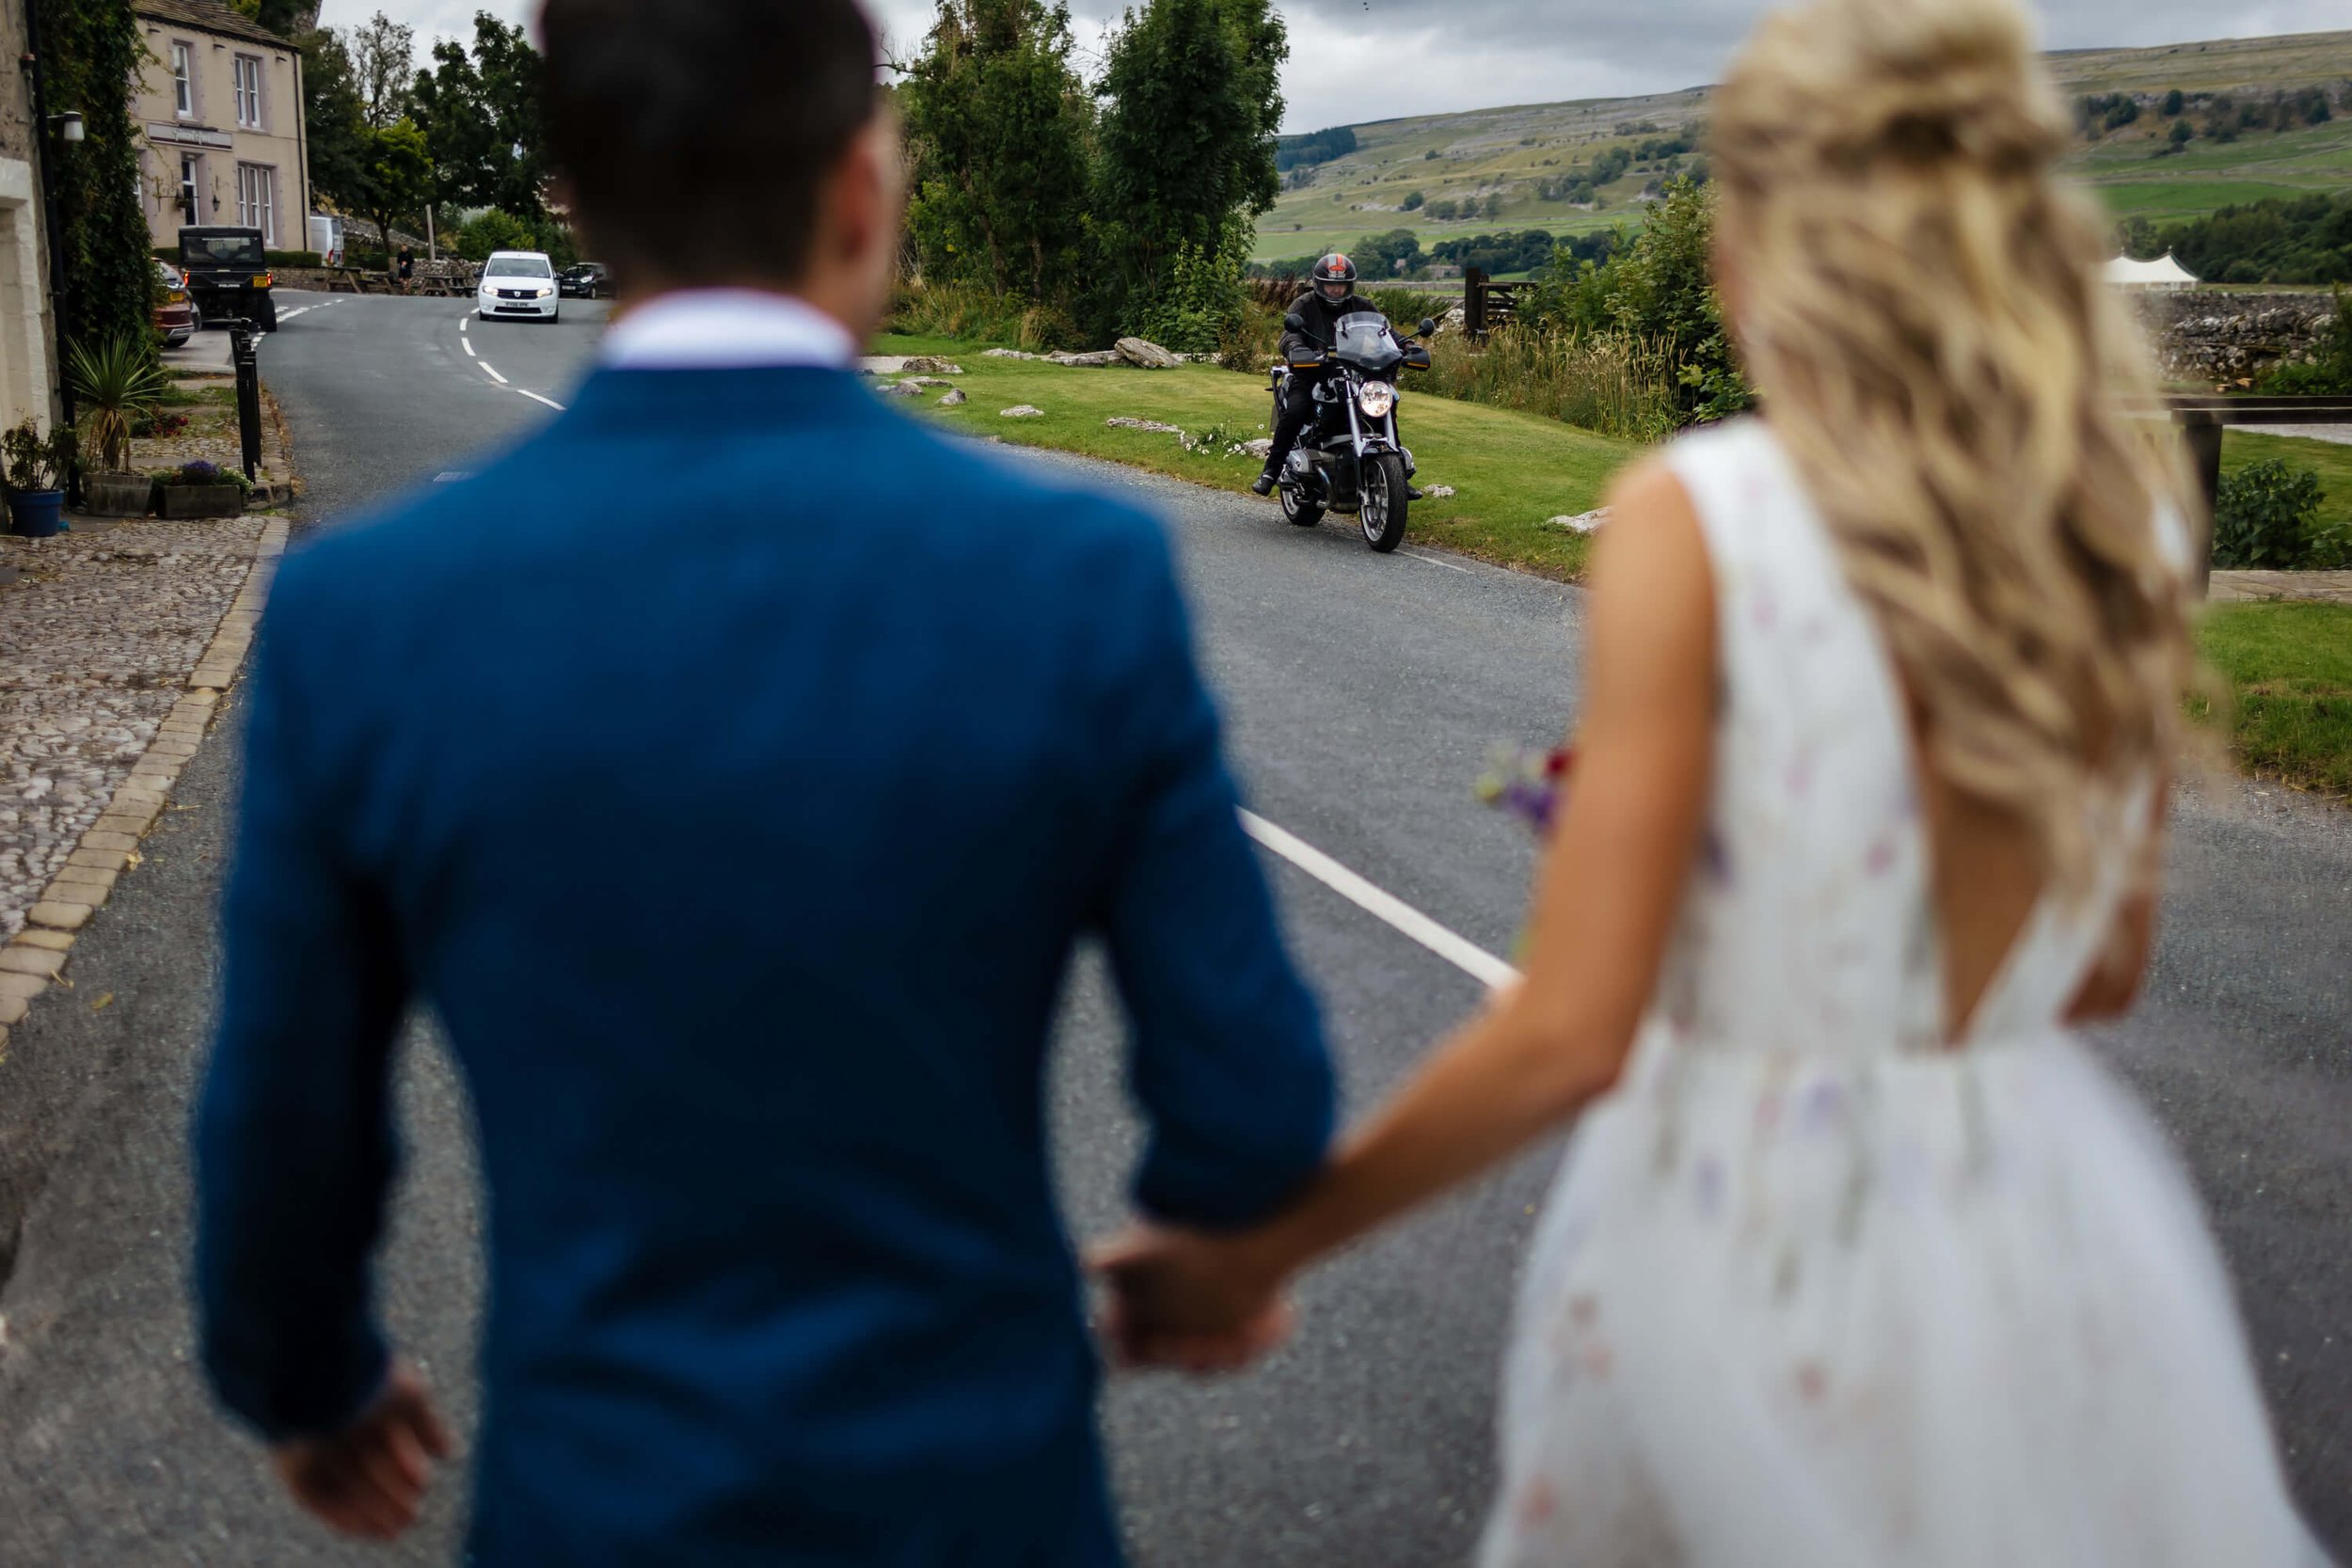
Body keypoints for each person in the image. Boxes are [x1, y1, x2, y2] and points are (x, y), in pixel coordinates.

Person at [1101, 0, 2337, 1562]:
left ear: (1749, 250)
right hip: (2046, 1216)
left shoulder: (1705, 514)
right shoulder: (2119, 527)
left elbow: (1569, 1032)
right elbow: (2100, 967)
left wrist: (1259, 1246)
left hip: (1748, 1226)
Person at [193, 0, 1333, 1562]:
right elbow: (1256, 1108)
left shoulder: (363, 619)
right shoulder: (1078, 583)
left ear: (575, 203)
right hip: (985, 1503)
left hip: (594, 1506)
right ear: (861, 191)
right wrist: (1209, 1250)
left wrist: (307, 1387)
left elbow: (281, 1131)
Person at [1251, 252, 1422, 499]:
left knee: (1385, 404)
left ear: (1349, 285)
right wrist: (1297, 349)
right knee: (1297, 409)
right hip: (1312, 374)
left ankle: (1397, 478)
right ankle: (1271, 470)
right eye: (1331, 284)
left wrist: (1408, 346)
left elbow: (1385, 333)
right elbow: (1289, 335)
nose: (1336, 290)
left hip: (1356, 374)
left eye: (1341, 284)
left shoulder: (1363, 306)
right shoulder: (1304, 305)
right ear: (1320, 284)